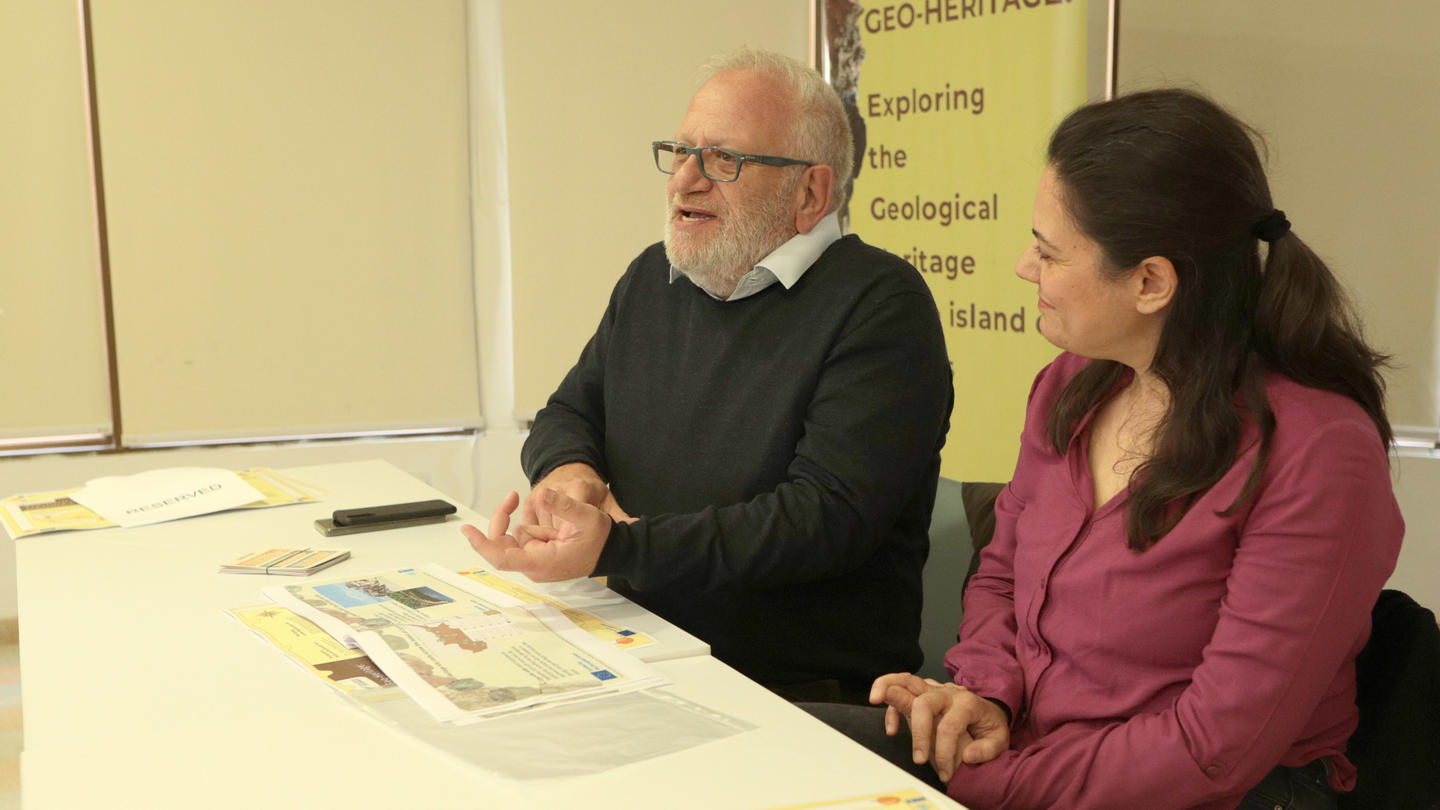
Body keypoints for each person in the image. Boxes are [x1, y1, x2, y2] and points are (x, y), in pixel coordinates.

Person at [810, 88, 1404, 809]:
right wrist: (984, 699)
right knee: (764, 751)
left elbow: (1213, 750)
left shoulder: (1319, 453)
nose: (1025, 269)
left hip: (1216, 794)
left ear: (1151, 282)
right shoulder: (1069, 387)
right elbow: (1000, 575)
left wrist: (981, 777)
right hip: (1031, 759)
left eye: (1048, 251)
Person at [461, 48, 953, 705]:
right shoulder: (654, 277)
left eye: (724, 160)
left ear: (811, 192)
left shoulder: (880, 305)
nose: (684, 182)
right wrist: (569, 480)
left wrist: (621, 547)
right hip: (638, 648)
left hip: (792, 696)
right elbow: (569, 414)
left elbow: (823, 520)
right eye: (681, 151)